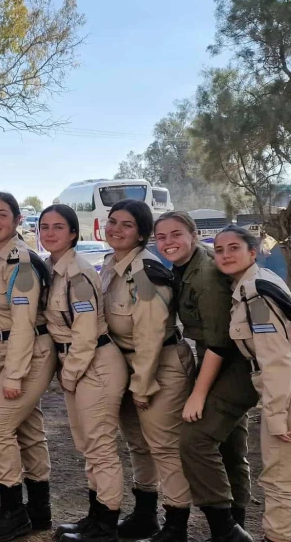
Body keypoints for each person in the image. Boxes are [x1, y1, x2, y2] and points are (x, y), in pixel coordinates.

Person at [213, 226, 291, 542]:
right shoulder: (254, 284)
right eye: (219, 250)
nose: (225, 255)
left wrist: (275, 415)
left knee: (279, 480)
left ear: (253, 252)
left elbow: (274, 359)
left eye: (233, 247)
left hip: (290, 388)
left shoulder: (256, 293)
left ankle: (278, 537)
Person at [153, 211, 257, 542]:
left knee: (195, 440)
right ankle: (235, 524)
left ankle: (227, 532)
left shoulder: (205, 275)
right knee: (228, 446)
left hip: (234, 363)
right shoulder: (186, 268)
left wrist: (198, 394)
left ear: (194, 235)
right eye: (161, 237)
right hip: (221, 358)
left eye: (176, 234)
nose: (168, 242)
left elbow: (219, 344)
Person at [100, 200, 191, 542]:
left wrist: (142, 384)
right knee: (137, 443)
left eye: (126, 225)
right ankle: (145, 515)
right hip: (126, 364)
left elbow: (151, 333)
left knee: (164, 446)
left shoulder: (145, 270)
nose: (116, 229)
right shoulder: (112, 265)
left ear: (141, 233)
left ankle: (176, 525)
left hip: (158, 366)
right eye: (112, 222)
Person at [39, 204, 128, 542]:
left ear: (73, 233)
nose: (49, 233)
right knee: (88, 446)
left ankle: (106, 527)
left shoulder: (76, 273)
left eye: (58, 227)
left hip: (95, 365)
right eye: (45, 226)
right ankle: (94, 518)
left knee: (101, 447)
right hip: (77, 363)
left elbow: (86, 331)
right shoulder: (51, 268)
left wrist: (70, 375)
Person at [0, 193, 55, 541]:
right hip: (0, 350)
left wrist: (15, 375)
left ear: (18, 220)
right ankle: (39, 512)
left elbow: (23, 322)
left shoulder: (20, 262)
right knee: (27, 429)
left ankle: (13, 512)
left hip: (28, 351)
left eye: (2, 214)